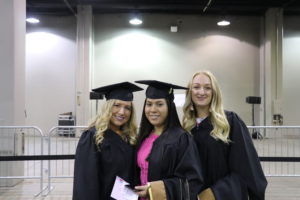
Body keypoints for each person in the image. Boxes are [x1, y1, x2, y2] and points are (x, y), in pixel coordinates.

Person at [182, 70, 267, 200]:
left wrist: (213, 194)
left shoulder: (229, 122)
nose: (202, 92)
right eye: (196, 87)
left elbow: (246, 168)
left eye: (207, 88)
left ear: (214, 92)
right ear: (190, 92)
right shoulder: (186, 127)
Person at [134, 80, 204, 200]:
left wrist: (154, 191)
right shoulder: (143, 137)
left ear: (169, 107)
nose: (153, 110)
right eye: (149, 104)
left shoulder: (181, 138)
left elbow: (192, 181)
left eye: (159, 104)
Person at [72, 82, 143, 200]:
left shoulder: (130, 138)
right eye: (117, 105)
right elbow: (86, 183)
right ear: (108, 107)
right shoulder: (92, 137)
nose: (122, 112)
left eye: (127, 108)